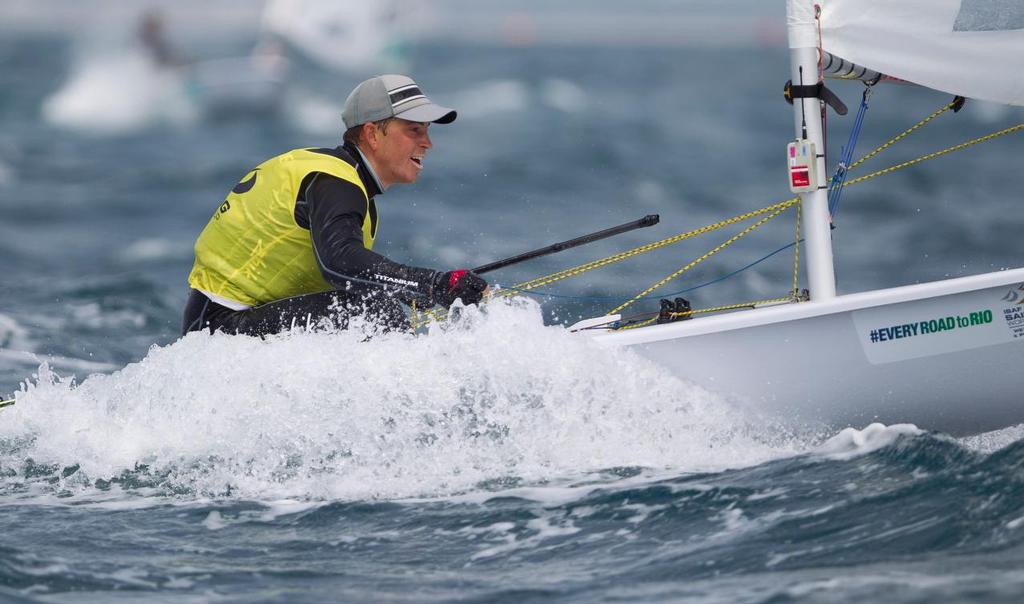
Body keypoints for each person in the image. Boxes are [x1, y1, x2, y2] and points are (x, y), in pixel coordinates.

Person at [182, 74, 488, 337]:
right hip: (220, 328)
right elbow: (340, 263)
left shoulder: (339, 177)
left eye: (427, 131)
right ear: (372, 133)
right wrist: (432, 283)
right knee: (373, 311)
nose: (427, 143)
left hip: (225, 321)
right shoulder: (335, 182)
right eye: (414, 130)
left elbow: (352, 273)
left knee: (370, 301)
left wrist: (421, 291)